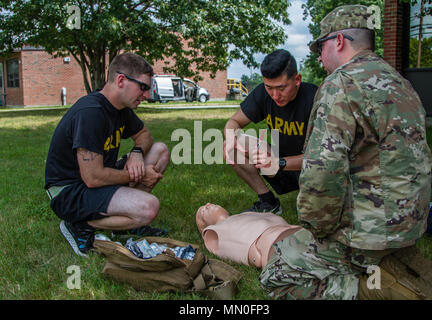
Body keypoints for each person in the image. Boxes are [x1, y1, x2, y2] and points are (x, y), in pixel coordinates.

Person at [258, 4, 432, 299]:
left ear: (338, 41)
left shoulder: (340, 84)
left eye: (320, 47)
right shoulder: (401, 83)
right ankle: (381, 267)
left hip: (367, 236)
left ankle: (368, 291)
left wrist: (315, 229)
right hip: (411, 227)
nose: (318, 56)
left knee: (276, 273)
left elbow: (323, 170)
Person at [45, 52, 170, 257]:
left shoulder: (120, 108)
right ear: (121, 80)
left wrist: (137, 153)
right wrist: (137, 175)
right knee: (149, 207)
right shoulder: (91, 112)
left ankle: (124, 224)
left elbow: (144, 135)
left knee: (160, 151)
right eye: (143, 87)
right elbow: (93, 178)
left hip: (95, 181)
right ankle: (79, 225)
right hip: (70, 192)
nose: (147, 95)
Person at [224, 49, 318, 215]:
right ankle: (268, 202)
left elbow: (322, 156)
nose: (275, 95)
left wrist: (279, 162)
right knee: (232, 144)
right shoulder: (263, 93)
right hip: (277, 164)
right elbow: (234, 122)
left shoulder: (316, 99)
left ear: (297, 80)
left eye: (281, 88)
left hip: (311, 170)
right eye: (269, 87)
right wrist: (231, 140)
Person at [196, 203, 301, 268]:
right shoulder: (214, 232)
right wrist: (256, 254)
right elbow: (230, 249)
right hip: (272, 246)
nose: (208, 204)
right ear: (206, 226)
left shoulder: (244, 215)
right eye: (203, 212)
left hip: (295, 233)